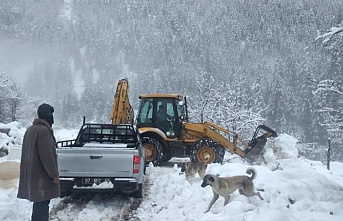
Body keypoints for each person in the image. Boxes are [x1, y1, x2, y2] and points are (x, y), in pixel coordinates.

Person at [17, 103, 60, 221]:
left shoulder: (30, 130)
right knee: (43, 204)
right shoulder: (43, 131)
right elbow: (47, 157)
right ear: (48, 115)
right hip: (42, 176)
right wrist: (54, 175)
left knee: (38, 204)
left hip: (33, 175)